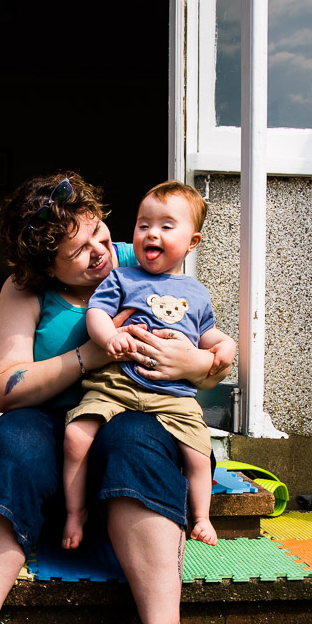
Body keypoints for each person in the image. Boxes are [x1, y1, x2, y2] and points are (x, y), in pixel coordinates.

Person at [0, 172, 235, 624]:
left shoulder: (144, 257)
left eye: (100, 235)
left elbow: (211, 347)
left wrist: (199, 363)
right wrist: (90, 353)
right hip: (51, 432)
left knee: (138, 437)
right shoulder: (25, 288)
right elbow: (1, 388)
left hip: (129, 421)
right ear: (45, 266)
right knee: (9, 439)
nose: (101, 253)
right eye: (78, 251)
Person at [60, 181, 233, 551]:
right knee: (76, 436)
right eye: (143, 225)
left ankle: (201, 517)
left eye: (167, 226)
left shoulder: (196, 293)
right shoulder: (121, 277)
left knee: (199, 454)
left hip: (173, 396)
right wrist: (108, 338)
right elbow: (98, 312)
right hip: (116, 386)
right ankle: (75, 513)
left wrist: (226, 346)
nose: (151, 233)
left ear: (192, 242)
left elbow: (208, 336)